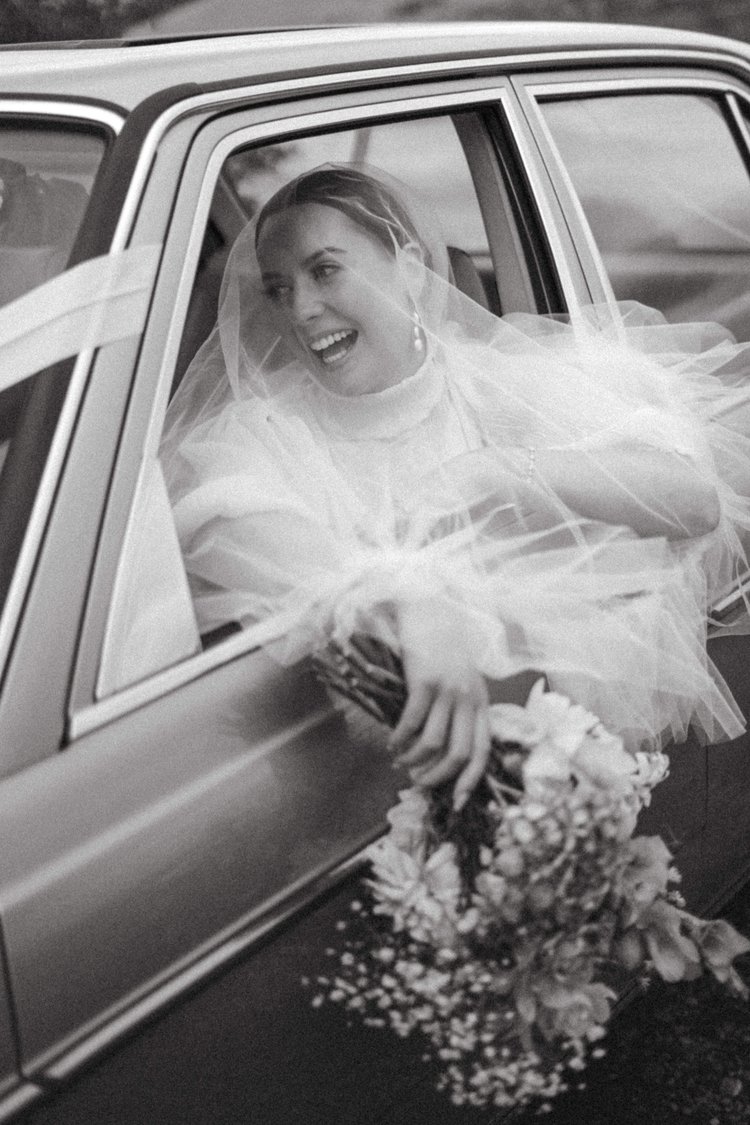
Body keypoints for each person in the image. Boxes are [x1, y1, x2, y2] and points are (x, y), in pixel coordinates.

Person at [161, 164, 750, 810]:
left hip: (561, 789)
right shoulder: (264, 434)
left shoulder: (500, 385)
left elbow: (693, 500)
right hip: (364, 794)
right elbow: (230, 527)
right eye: (278, 290)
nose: (300, 310)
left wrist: (495, 474)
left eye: (325, 270)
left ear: (411, 268)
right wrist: (411, 594)